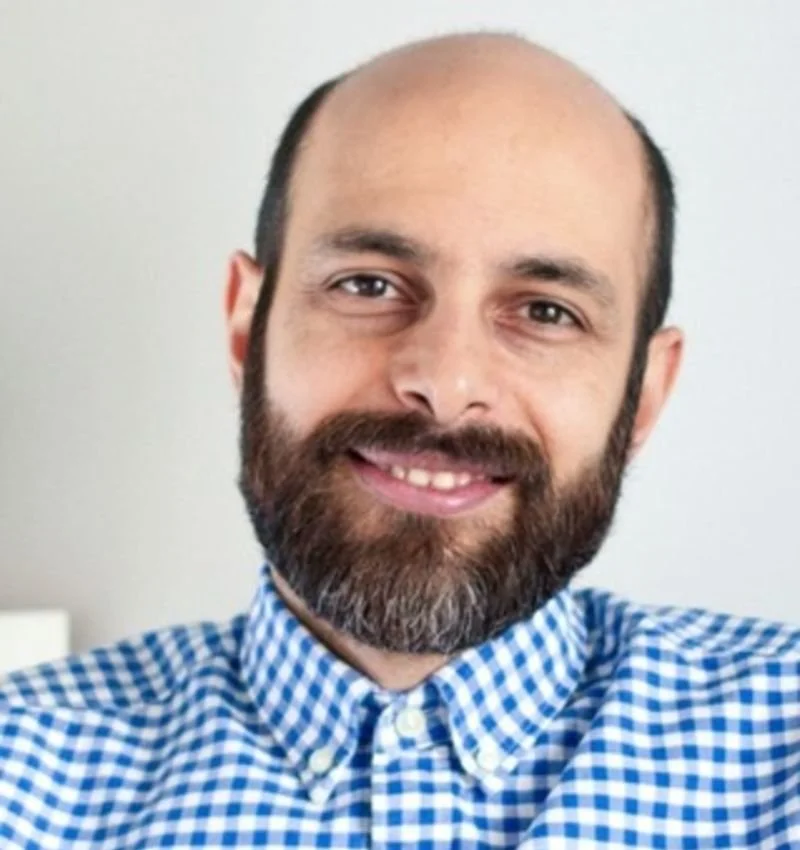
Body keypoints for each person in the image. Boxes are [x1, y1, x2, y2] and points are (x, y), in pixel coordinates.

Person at [1, 31, 797, 850]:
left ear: (644, 397)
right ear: (248, 329)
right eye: (369, 285)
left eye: (546, 311)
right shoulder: (18, 774)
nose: (446, 384)